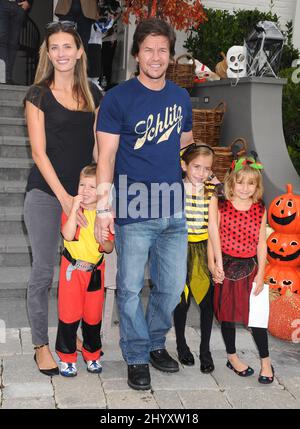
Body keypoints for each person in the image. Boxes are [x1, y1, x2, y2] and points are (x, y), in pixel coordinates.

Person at [95, 18, 194, 391]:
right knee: (131, 287)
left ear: (170, 55)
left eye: (163, 50)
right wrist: (105, 207)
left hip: (172, 207)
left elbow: (184, 145)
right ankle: (136, 354)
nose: (156, 57)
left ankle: (155, 342)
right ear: (137, 54)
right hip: (133, 208)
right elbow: (105, 157)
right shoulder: (118, 98)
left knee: (171, 286)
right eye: (149, 49)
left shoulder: (181, 98)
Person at [23, 20, 102, 376]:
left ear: (79, 50)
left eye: (67, 46)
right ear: (48, 53)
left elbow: (101, 151)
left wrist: (101, 198)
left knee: (85, 269)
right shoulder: (37, 95)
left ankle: (82, 340)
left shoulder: (94, 95)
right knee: (43, 272)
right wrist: (66, 199)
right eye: (54, 47)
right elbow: (39, 154)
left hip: (85, 198)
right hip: (45, 193)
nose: (61, 53)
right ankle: (41, 345)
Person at [209, 154, 274, 384]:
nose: (245, 188)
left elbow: (261, 242)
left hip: (250, 267)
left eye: (251, 183)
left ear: (257, 186)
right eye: (240, 182)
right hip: (226, 265)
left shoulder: (259, 208)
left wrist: (261, 273)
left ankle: (265, 361)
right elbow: (213, 234)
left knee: (256, 318)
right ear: (231, 181)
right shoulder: (221, 203)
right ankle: (232, 356)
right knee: (227, 316)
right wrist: (216, 263)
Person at [55, 163, 114, 377]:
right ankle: (67, 356)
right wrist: (72, 210)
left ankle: (92, 353)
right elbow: (68, 235)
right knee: (69, 315)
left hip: (95, 273)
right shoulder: (71, 210)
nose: (85, 191)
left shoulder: (105, 216)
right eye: (82, 185)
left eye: (92, 187)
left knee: (92, 317)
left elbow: (108, 248)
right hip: (73, 271)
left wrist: (104, 240)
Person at [173, 144, 223, 374]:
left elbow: (213, 227)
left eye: (206, 168)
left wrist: (217, 262)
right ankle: (181, 344)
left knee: (206, 302)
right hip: (179, 247)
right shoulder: (176, 189)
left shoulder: (211, 191)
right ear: (184, 166)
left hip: (204, 249)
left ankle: (205, 350)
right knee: (181, 300)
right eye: (196, 167)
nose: (201, 173)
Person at [55, 0, 100, 78]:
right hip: (67, 6)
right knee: (63, 42)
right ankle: (62, 75)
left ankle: (80, 77)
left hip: (88, 8)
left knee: (83, 45)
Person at [0, 0, 33, 84]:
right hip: (3, 4)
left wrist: (29, 2)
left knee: (13, 44)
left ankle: (7, 77)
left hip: (19, 5)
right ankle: (4, 77)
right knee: (2, 41)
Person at [98, 0, 121, 88]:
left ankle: (107, 83)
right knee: (98, 61)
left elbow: (119, 13)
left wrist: (110, 23)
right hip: (96, 37)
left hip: (110, 38)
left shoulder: (114, 4)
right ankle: (98, 82)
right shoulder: (96, 3)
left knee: (107, 62)